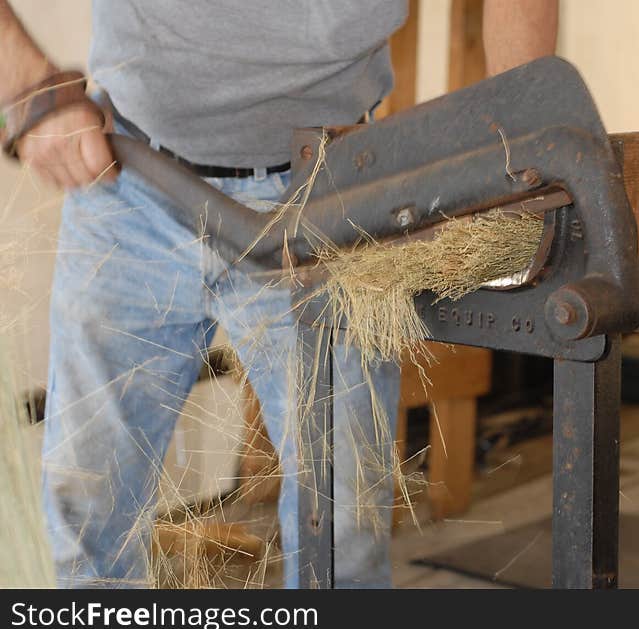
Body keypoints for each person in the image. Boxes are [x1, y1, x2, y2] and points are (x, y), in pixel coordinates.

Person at [0, 0, 558, 588]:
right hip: (131, 177)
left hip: (329, 196)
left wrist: (518, 156)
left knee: (343, 536)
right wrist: (25, 85)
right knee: (85, 524)